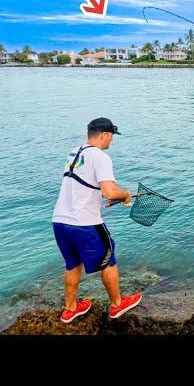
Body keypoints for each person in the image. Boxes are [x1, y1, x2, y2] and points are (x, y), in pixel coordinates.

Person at [52, 117, 142, 322]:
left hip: (60, 221)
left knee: (73, 264)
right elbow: (110, 192)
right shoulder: (101, 157)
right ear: (104, 135)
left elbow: (85, 185)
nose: (112, 140)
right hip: (85, 223)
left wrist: (111, 195)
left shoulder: (74, 153)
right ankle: (117, 305)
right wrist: (125, 194)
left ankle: (70, 308)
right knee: (109, 259)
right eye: (111, 136)